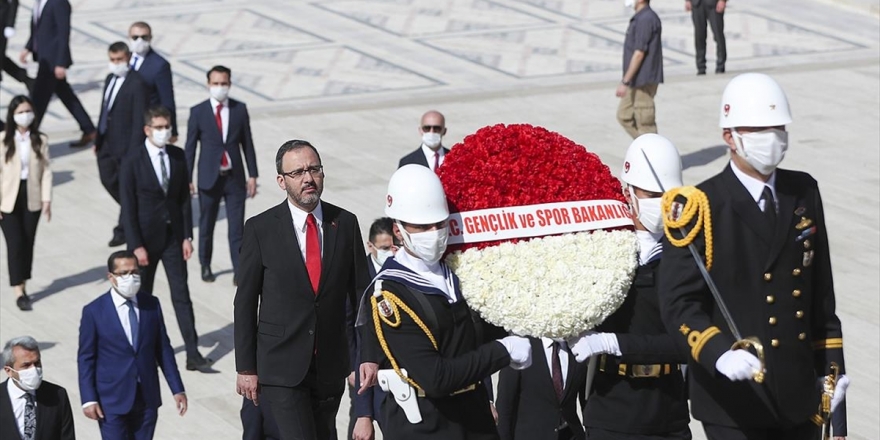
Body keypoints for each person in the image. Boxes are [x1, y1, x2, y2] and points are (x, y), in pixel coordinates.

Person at [658, 73, 848, 439]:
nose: (772, 139)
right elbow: (678, 303)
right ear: (730, 136)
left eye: (778, 128)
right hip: (734, 400)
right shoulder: (701, 206)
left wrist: (832, 378)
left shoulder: (803, 191)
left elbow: (821, 300)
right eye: (759, 130)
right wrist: (717, 352)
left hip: (798, 397)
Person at [357, 164, 532, 439]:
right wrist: (503, 351)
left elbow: (472, 334)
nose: (435, 233)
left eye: (439, 224)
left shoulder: (456, 271)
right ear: (398, 230)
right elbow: (435, 378)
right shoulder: (389, 294)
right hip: (428, 424)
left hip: (474, 418)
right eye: (423, 226)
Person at [233, 139, 371, 440]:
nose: (308, 178)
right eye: (297, 173)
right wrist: (245, 367)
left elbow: (361, 296)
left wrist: (366, 355)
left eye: (314, 169)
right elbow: (244, 302)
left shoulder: (345, 223)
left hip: (329, 367)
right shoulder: (261, 228)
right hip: (281, 367)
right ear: (281, 181)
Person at [571, 134, 691, 439]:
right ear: (627, 192)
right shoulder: (602, 252)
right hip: (612, 407)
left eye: (669, 195)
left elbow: (688, 342)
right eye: (651, 194)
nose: (662, 205)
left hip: (669, 408)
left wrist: (615, 343)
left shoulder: (688, 254)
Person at [119, 105, 212, 372]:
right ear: (147, 130)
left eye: (166, 126)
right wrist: (136, 245)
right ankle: (142, 350)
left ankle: (192, 352)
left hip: (173, 238)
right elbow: (128, 207)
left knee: (181, 294)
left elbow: (183, 200)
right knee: (142, 297)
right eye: (158, 127)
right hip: (144, 242)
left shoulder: (178, 156)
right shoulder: (132, 160)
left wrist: (186, 236)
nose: (164, 131)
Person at [77, 250, 188, 440]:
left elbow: (163, 349)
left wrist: (177, 388)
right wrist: (88, 399)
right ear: (111, 277)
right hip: (111, 400)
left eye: (135, 272)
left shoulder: (151, 304)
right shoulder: (94, 311)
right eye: (124, 273)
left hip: (146, 398)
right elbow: (86, 358)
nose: (131, 277)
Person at [185, 65, 258, 285]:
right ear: (208, 84)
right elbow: (190, 147)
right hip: (209, 178)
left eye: (223, 83)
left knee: (237, 227)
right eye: (216, 83)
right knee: (206, 224)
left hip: (234, 177)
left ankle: (239, 268)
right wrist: (187, 178)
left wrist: (252, 174)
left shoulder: (239, 109)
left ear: (230, 84)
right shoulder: (198, 112)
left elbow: (247, 143)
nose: (220, 87)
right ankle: (205, 264)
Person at [348, 217, 399, 440]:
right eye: (384, 248)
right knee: (361, 417)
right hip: (362, 361)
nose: (390, 251)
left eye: (393, 246)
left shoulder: (401, 271)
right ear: (371, 246)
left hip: (393, 367)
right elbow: (347, 323)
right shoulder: (358, 274)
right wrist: (350, 366)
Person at [20, 0, 96, 147]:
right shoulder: (39, 3)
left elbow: (63, 33)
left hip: (52, 61)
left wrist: (61, 62)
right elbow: (37, 28)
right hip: (44, 58)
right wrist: (28, 47)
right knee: (66, 95)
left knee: (38, 98)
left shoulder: (59, 3)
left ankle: (30, 133)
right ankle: (89, 129)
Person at [0, 95, 51, 311]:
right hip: (8, 198)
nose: (25, 116)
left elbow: (47, 170)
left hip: (32, 195)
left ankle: (24, 281)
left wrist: (47, 198)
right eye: (20, 112)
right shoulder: (4, 139)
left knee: (28, 241)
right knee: (15, 243)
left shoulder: (40, 139)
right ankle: (18, 290)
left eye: (28, 111)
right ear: (12, 115)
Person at [95, 41, 147, 247]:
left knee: (126, 187)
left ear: (127, 58)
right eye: (112, 60)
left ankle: (124, 228)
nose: (116, 63)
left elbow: (138, 118)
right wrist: (98, 138)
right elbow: (105, 110)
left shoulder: (137, 83)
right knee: (108, 179)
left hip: (126, 146)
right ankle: (136, 210)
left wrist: (134, 150)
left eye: (119, 60)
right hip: (107, 143)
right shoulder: (110, 79)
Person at [496, 337, 587, 440]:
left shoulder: (577, 349)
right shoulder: (521, 348)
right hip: (531, 434)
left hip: (570, 434)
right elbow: (505, 404)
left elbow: (587, 399)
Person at [0, 336, 75, 440]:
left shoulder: (57, 395)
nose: (34, 370)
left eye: (37, 363)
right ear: (9, 370)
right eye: (26, 365)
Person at [616, 0, 663, 139]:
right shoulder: (640, 17)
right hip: (635, 79)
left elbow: (639, 53)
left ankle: (653, 154)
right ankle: (643, 147)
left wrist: (625, 82)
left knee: (645, 122)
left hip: (644, 79)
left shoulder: (646, 19)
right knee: (624, 115)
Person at [127, 21, 178, 142]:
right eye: (135, 37)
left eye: (144, 37)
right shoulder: (124, 59)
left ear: (150, 38)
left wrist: (173, 130)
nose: (140, 41)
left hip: (145, 122)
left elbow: (167, 99)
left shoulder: (159, 65)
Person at [686, 0, 726, 75]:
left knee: (718, 35)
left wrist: (722, 1)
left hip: (714, 4)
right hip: (697, 4)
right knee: (699, 36)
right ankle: (701, 66)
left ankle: (720, 65)